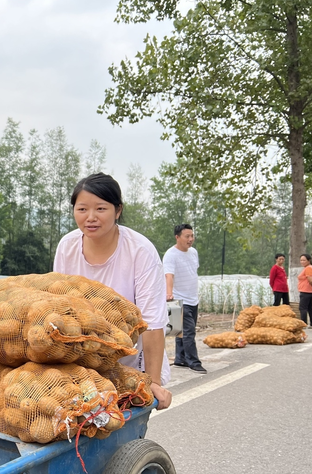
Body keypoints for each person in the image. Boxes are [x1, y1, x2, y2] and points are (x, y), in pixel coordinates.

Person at [53, 173, 173, 410]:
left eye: (100, 208)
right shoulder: (67, 247)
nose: (90, 217)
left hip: (130, 366)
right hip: (83, 366)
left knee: (124, 427)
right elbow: (60, 308)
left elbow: (152, 323)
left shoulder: (140, 251)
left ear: (118, 210)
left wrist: (153, 382)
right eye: (82, 209)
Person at [163, 224, 206, 374]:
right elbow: (169, 275)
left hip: (193, 298)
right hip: (180, 298)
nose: (190, 239)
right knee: (188, 331)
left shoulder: (193, 252)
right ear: (177, 237)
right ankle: (193, 362)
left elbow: (193, 272)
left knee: (182, 330)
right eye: (187, 236)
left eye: (192, 236)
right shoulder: (171, 254)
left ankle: (180, 358)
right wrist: (169, 294)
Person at [298, 253, 312, 328]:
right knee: (309, 308)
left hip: (306, 291)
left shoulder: (308, 268)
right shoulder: (307, 268)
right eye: (301, 260)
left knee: (302, 308)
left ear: (309, 261)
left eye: (304, 260)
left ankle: (304, 324)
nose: (302, 262)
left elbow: (310, 280)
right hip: (308, 291)